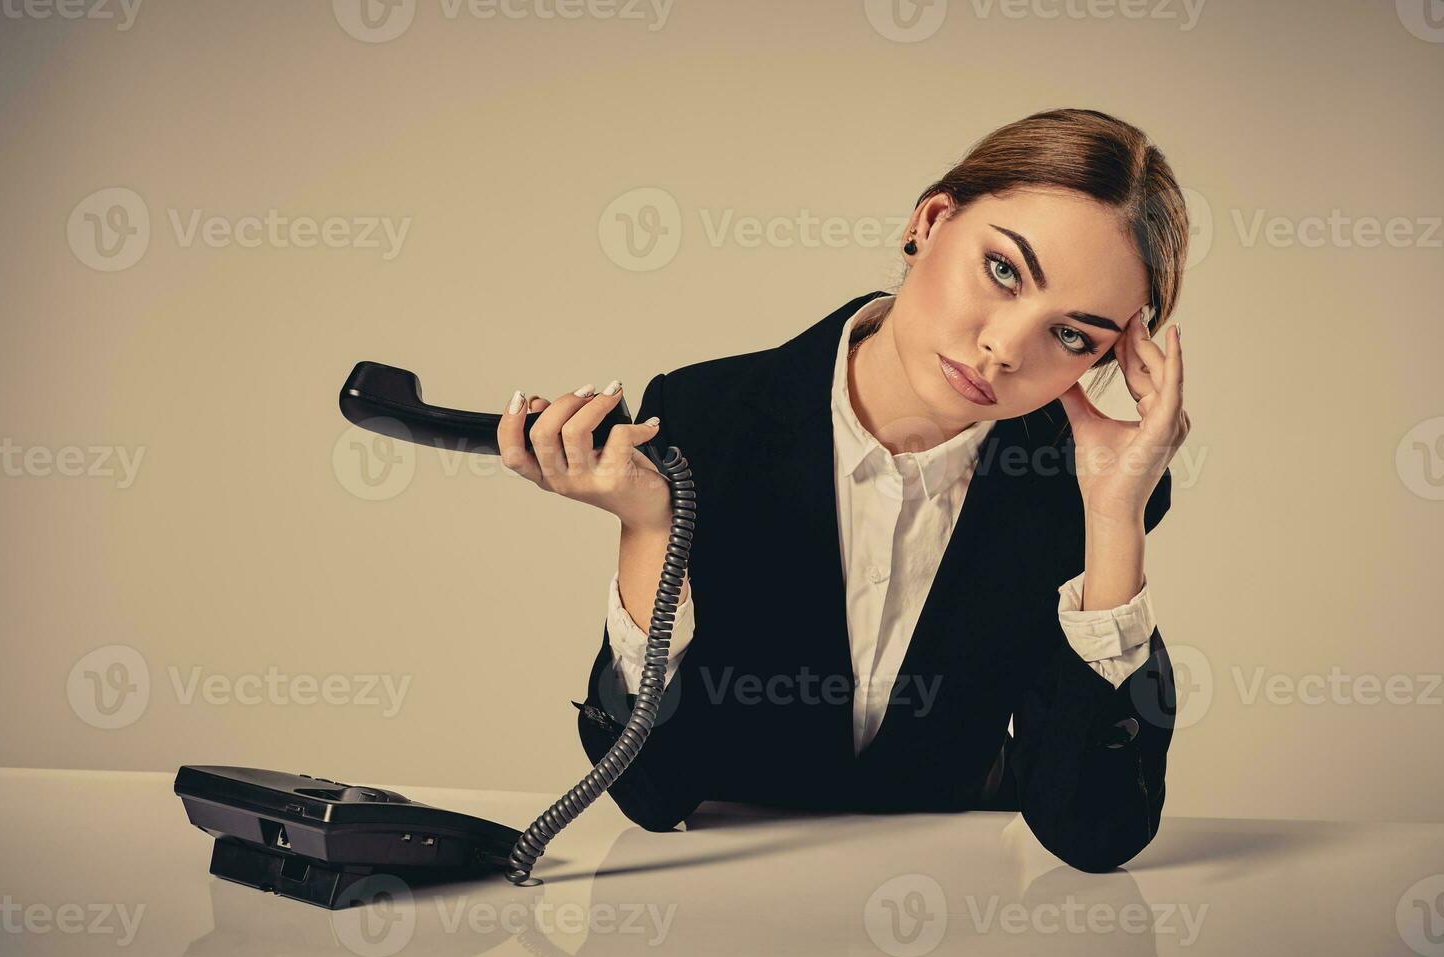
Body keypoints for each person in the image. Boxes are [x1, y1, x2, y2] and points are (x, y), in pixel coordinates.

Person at [497, 108, 1191, 873]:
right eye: (1002, 270)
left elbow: (1097, 833)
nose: (1002, 348)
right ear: (930, 221)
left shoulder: (1081, 492)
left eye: (1072, 336)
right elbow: (653, 794)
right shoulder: (703, 422)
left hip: (957, 914)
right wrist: (648, 531)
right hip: (726, 909)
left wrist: (1115, 516)